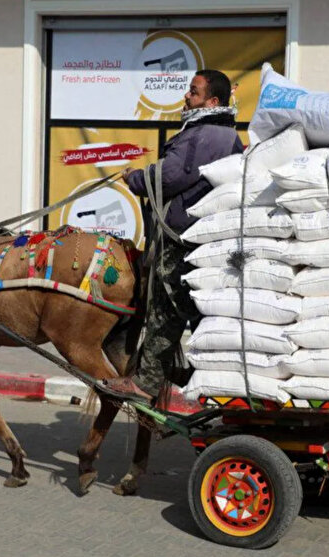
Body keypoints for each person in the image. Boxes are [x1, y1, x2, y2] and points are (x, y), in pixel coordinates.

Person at [108, 69, 243, 400]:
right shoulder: (220, 134)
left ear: (212, 101)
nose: (186, 96)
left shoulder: (206, 135)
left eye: (193, 92)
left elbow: (170, 176)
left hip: (182, 239)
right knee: (196, 310)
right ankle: (201, 373)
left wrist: (136, 178)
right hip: (199, 238)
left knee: (165, 309)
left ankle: (148, 381)